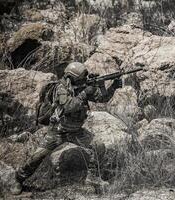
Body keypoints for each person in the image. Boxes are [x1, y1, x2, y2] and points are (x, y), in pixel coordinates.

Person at [10, 62, 122, 195]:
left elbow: (102, 98)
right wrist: (85, 93)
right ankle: (18, 179)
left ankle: (93, 178)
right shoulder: (61, 88)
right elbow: (68, 107)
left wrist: (110, 86)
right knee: (37, 156)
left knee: (98, 146)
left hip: (76, 131)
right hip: (58, 131)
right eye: (80, 78)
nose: (83, 80)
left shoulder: (82, 86)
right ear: (71, 77)